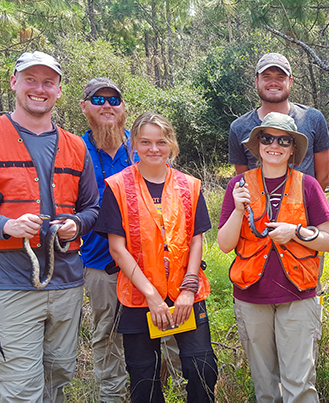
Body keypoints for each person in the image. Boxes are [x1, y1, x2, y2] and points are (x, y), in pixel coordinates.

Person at [95, 112, 218, 402]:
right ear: (133, 145)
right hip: (139, 296)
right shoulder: (117, 186)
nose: (154, 149)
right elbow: (117, 248)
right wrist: (151, 295)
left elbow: (197, 238)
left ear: (172, 144)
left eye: (161, 142)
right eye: (145, 142)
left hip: (185, 294)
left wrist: (188, 290)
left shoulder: (190, 185)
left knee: (202, 367)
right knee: (142, 377)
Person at [0, 51, 100, 401]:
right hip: (11, 284)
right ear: (14, 83)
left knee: (58, 375)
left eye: (48, 82)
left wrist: (75, 224)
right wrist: (7, 225)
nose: (39, 89)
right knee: (21, 386)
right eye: (31, 79)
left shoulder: (77, 146)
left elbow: (92, 208)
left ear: (59, 90)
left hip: (67, 285)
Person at [218, 112, 329, 402]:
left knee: (300, 385)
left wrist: (295, 232)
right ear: (257, 144)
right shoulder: (238, 186)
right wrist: (237, 210)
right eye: (268, 138)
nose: (275, 145)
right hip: (251, 295)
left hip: (299, 294)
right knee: (265, 387)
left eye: (284, 140)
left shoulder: (308, 185)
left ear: (293, 148)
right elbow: (224, 244)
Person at [79, 76, 132, 402]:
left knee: (162, 335)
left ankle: (149, 391)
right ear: (84, 107)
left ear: (123, 107)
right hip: (99, 264)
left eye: (114, 99)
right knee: (107, 335)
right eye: (98, 100)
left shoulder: (141, 144)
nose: (107, 105)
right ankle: (113, 397)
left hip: (147, 263)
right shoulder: (73, 149)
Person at [229, 52, 329, 190]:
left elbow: (323, 176)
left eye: (280, 77)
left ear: (290, 82)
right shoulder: (239, 127)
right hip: (260, 209)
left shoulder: (313, 118)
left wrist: (306, 204)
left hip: (304, 207)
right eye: (266, 77)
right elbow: (244, 181)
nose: (273, 82)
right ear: (256, 81)